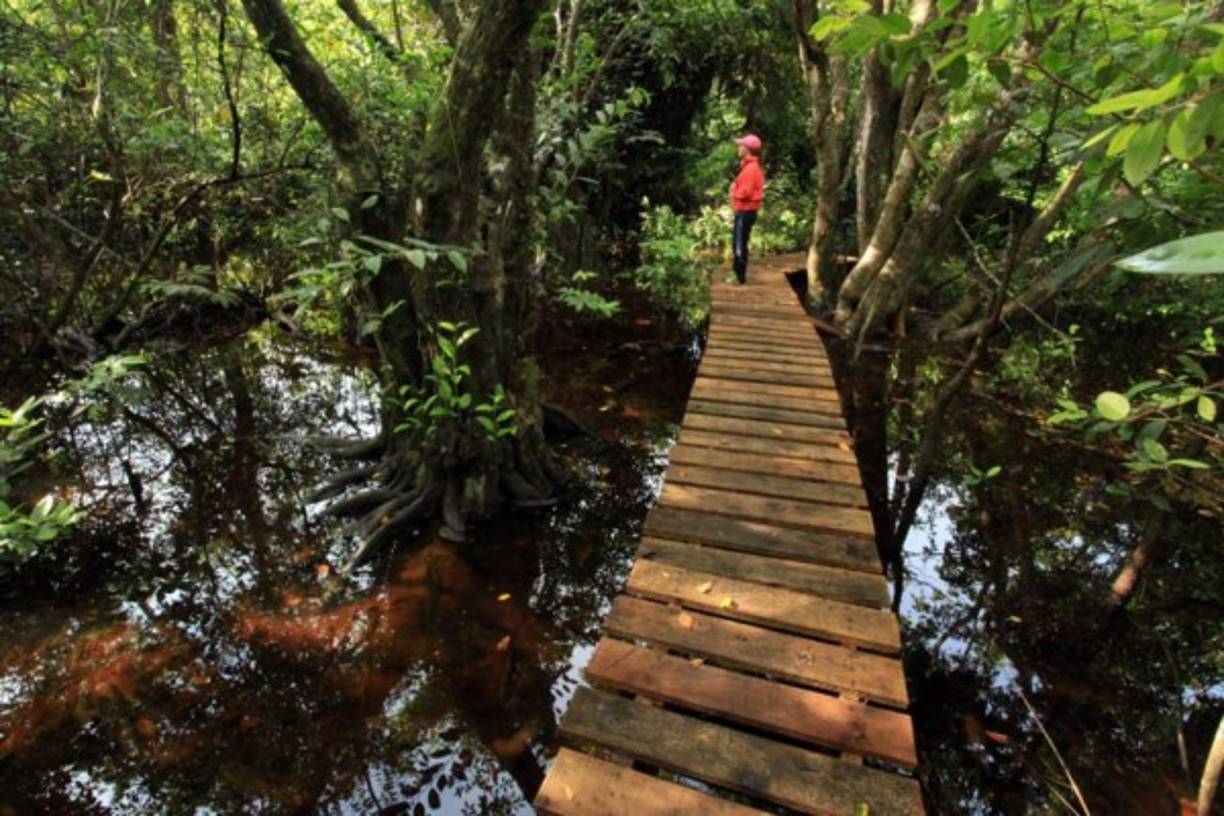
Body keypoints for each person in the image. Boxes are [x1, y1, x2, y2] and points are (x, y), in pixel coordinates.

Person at [729, 134, 764, 285]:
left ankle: (739, 278)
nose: (739, 148)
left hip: (745, 211)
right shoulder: (749, 167)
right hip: (744, 211)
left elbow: (746, 192)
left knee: (739, 244)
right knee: (739, 242)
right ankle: (737, 275)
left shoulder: (751, 169)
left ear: (747, 149)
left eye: (741, 145)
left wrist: (733, 190)